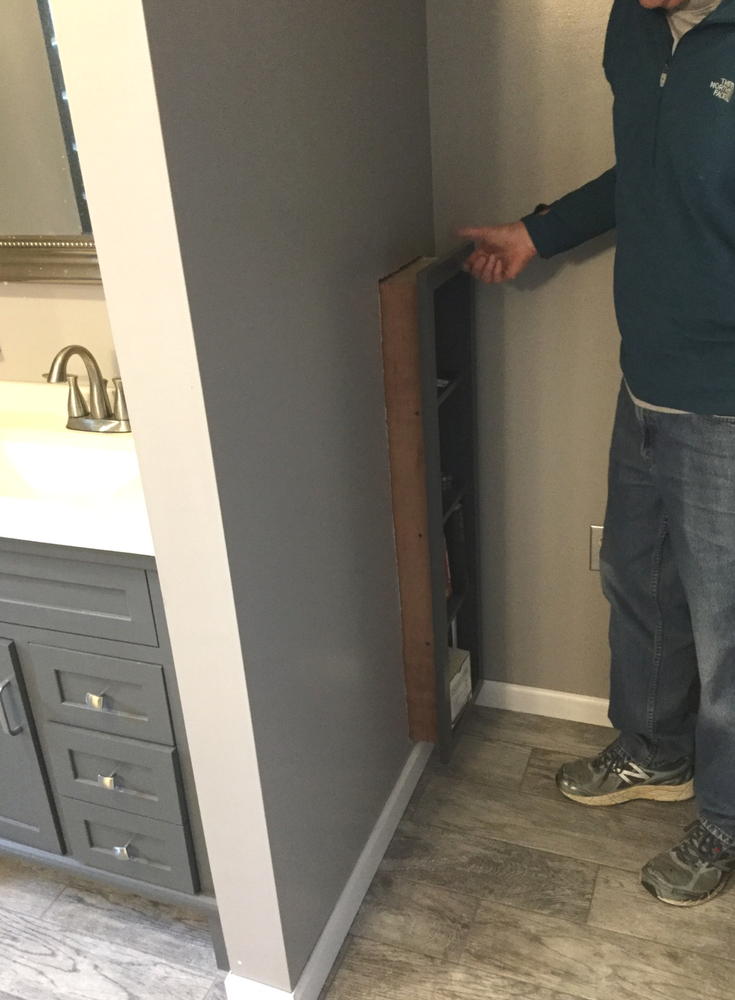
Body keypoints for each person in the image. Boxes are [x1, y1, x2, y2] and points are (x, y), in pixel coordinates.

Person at [460, 0, 735, 907]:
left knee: (728, 633)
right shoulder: (634, 24)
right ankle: (656, 753)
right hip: (645, 378)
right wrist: (536, 233)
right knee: (636, 580)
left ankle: (726, 822)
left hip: (727, 403)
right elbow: (651, 175)